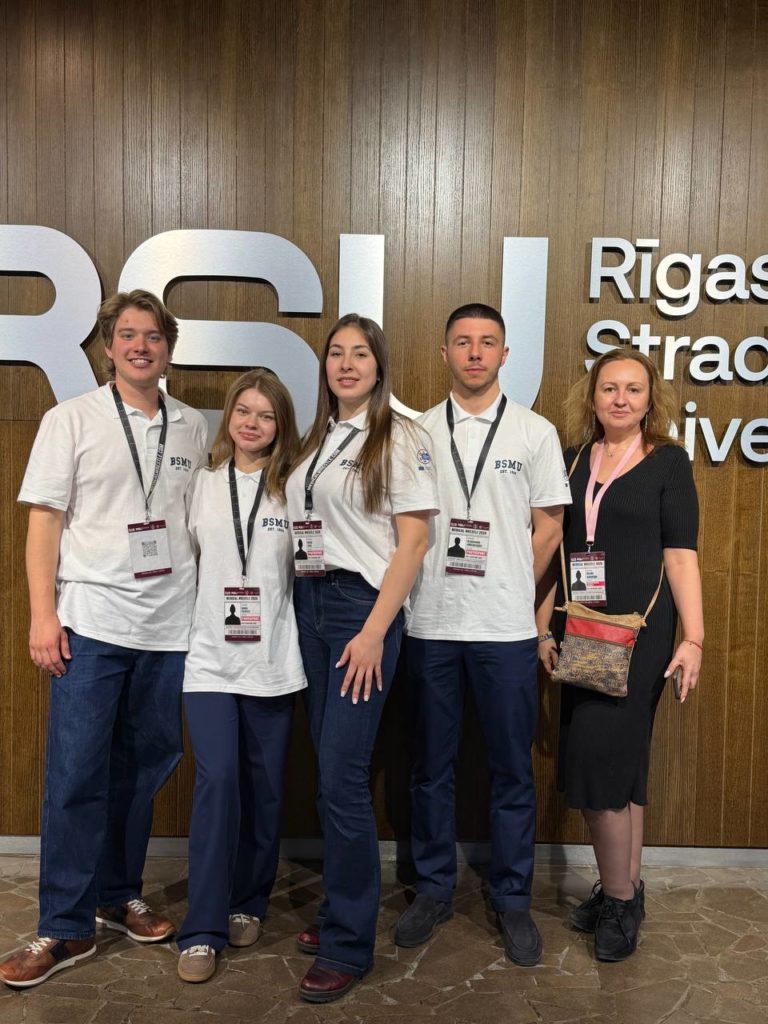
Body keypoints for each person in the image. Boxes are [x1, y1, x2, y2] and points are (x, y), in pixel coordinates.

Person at [1, 290, 207, 989]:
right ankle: (64, 926)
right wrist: (43, 615)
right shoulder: (71, 419)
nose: (140, 346)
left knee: (145, 769)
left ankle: (117, 896)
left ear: (168, 347)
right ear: (108, 347)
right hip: (91, 622)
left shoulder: (192, 426)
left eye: (153, 335)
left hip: (170, 626)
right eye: (127, 335)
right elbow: (45, 523)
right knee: (75, 777)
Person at [395, 303, 571, 967]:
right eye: (463, 342)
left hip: (504, 629)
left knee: (511, 770)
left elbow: (549, 528)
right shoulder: (414, 431)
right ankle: (434, 888)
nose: (475, 353)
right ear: (444, 353)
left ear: (504, 354)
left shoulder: (534, 432)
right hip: (430, 624)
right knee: (429, 768)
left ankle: (513, 896)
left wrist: (511, 586)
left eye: (487, 342)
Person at [285, 313, 438, 1003]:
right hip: (311, 604)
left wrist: (376, 630)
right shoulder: (319, 436)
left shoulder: (401, 435)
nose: (346, 364)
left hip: (359, 614)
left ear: (379, 367)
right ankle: (336, 910)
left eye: (360, 354)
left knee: (343, 779)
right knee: (328, 773)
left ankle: (348, 945)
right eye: (336, 354)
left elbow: (414, 543)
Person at [535, 348, 703, 962]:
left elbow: (681, 556)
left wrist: (694, 639)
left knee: (601, 768)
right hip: (582, 632)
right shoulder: (571, 460)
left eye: (634, 388)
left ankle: (619, 897)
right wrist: (541, 627)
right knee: (621, 769)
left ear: (650, 399)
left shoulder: (668, 462)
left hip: (642, 635)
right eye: (610, 388)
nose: (621, 399)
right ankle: (624, 893)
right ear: (593, 396)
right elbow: (553, 550)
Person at [175, 368, 307, 984]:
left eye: (266, 415)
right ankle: (202, 930)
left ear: (282, 425)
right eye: (243, 411)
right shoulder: (201, 484)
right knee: (218, 782)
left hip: (273, 662)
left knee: (265, 788)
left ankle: (248, 901)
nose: (252, 423)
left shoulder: (294, 489)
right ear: (228, 416)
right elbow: (184, 568)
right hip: (208, 661)